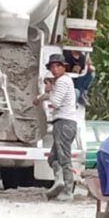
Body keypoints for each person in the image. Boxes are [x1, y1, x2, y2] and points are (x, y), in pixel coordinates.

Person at [37, 53, 77, 201]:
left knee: (64, 158)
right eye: (52, 67)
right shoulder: (65, 82)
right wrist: (41, 97)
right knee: (53, 157)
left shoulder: (62, 82)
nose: (54, 69)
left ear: (63, 67)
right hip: (66, 123)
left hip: (63, 122)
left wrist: (48, 92)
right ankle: (59, 182)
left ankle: (68, 190)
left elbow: (56, 102)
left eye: (56, 66)